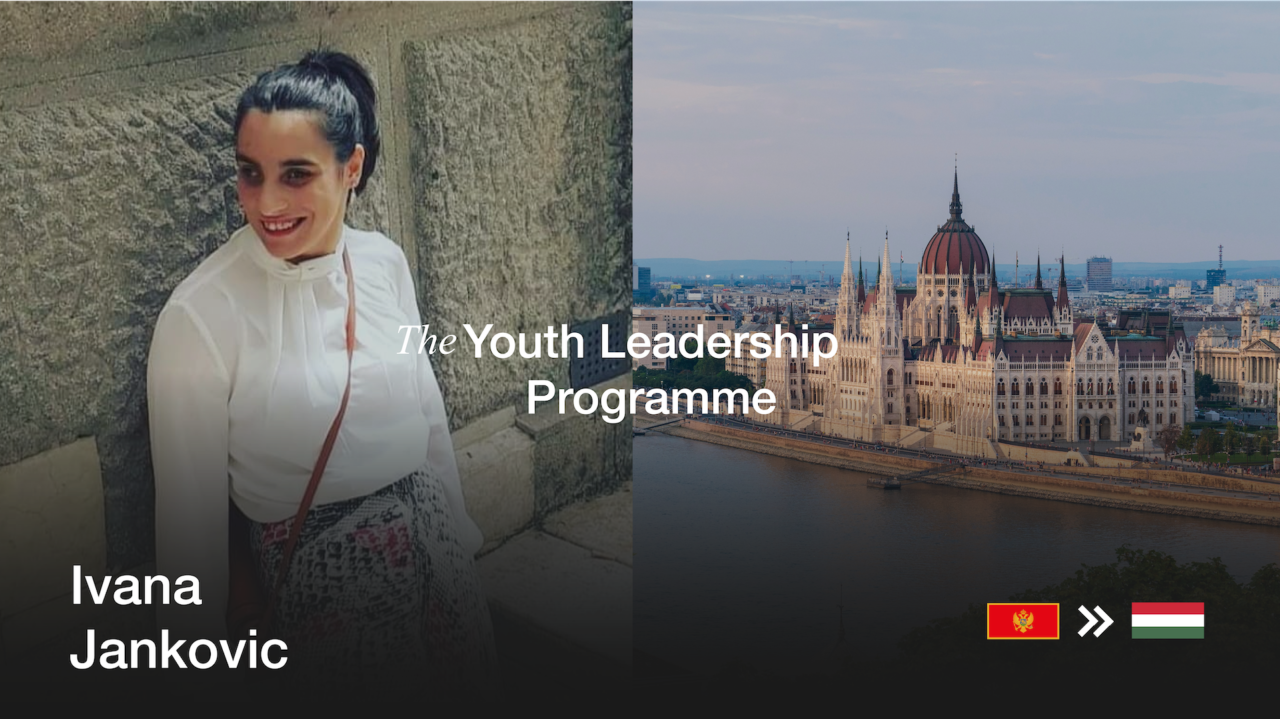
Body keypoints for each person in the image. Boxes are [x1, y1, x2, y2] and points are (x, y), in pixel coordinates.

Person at [146, 49, 499, 690]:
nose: (266, 202)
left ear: (351, 168)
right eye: (250, 173)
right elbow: (188, 527)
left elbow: (427, 415)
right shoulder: (200, 315)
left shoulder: (383, 263)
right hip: (323, 591)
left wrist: (461, 542)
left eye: (296, 174)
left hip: (440, 558)